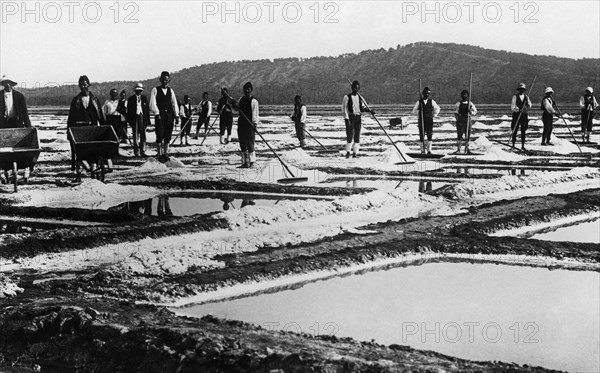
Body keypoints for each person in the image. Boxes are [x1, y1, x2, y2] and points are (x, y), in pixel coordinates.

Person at [67, 75, 104, 180]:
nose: (83, 87)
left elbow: (100, 114)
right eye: (81, 85)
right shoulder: (76, 100)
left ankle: (93, 173)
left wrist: (103, 128)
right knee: (79, 153)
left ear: (89, 84)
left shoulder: (95, 99)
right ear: (79, 86)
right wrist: (69, 132)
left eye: (85, 84)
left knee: (93, 152)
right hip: (79, 130)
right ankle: (78, 175)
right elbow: (71, 117)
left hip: (92, 129)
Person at [149, 71, 179, 162]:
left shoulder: (171, 90)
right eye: (163, 80)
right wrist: (157, 113)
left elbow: (174, 103)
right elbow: (152, 103)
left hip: (169, 115)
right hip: (160, 115)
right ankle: (159, 154)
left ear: (169, 80)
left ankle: (165, 153)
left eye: (166, 80)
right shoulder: (155, 90)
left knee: (167, 134)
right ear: (160, 80)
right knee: (159, 134)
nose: (164, 81)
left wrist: (176, 115)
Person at [342, 80, 372, 158]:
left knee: (357, 135)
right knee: (349, 135)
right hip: (351, 117)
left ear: (359, 88)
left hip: (358, 117)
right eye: (354, 87)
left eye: (357, 88)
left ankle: (355, 152)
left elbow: (362, 108)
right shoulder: (347, 97)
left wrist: (370, 111)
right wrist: (346, 119)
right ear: (352, 88)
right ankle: (348, 151)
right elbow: (344, 109)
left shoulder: (360, 98)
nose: (355, 89)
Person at [235, 82, 259, 168]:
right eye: (245, 89)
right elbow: (237, 108)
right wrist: (232, 104)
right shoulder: (241, 99)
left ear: (251, 90)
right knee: (242, 143)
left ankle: (252, 162)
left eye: (249, 89)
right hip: (242, 123)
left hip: (249, 124)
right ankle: (245, 162)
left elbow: (255, 113)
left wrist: (255, 123)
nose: (247, 90)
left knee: (250, 143)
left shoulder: (254, 101)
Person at [412, 86, 441, 154]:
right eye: (425, 93)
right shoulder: (419, 102)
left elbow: (437, 108)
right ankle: (422, 150)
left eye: (428, 93)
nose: (426, 95)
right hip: (421, 120)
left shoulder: (432, 101)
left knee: (429, 134)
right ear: (423, 93)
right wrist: (419, 112)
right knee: (422, 135)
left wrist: (434, 115)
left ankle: (429, 150)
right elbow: (414, 111)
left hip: (429, 120)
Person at [126, 83, 151, 157]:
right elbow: (129, 111)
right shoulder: (131, 99)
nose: (139, 92)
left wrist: (147, 120)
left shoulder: (144, 98)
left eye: (140, 90)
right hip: (135, 117)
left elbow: (147, 110)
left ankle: (143, 151)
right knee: (135, 135)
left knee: (143, 135)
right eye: (137, 90)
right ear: (135, 91)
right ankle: (136, 151)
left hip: (142, 117)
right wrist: (130, 121)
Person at [453, 89, 477, 154]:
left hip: (467, 120)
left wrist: (470, 112)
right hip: (460, 120)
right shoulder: (458, 104)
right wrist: (458, 120)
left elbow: (475, 111)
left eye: (465, 95)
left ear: (467, 96)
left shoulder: (470, 103)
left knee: (467, 135)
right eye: (463, 95)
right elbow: (455, 113)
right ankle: (458, 149)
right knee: (459, 135)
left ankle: (467, 148)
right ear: (461, 96)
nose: (464, 96)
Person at [510, 83, 532, 150]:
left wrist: (527, 105)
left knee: (523, 130)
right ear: (518, 90)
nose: (521, 91)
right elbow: (512, 107)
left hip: (524, 116)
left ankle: (522, 145)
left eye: (522, 89)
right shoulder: (515, 97)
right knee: (515, 129)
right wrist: (518, 109)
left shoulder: (526, 97)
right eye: (520, 89)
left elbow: (530, 105)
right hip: (516, 115)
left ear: (524, 90)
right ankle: (513, 144)